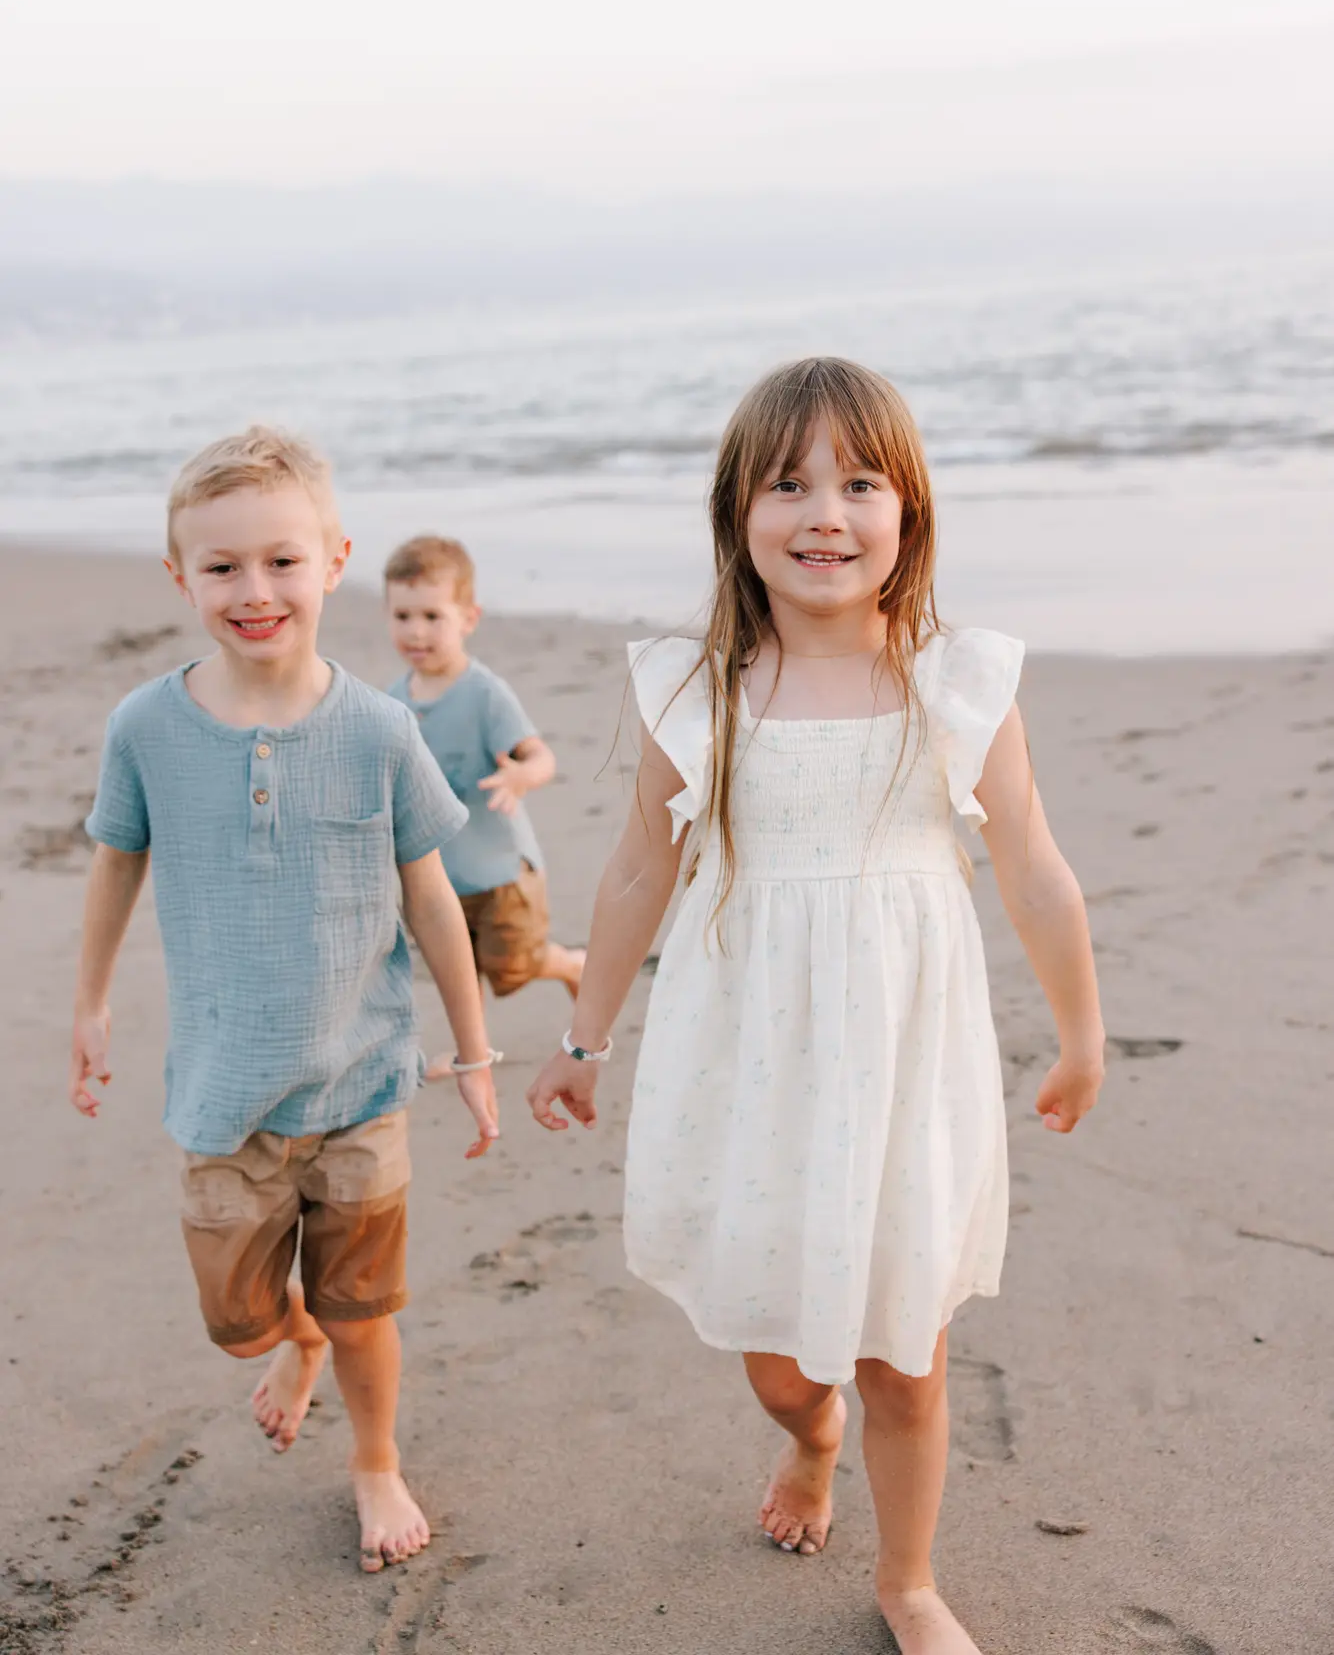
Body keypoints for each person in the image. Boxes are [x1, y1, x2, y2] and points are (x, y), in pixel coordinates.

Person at [526, 357, 1105, 1654]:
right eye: (785, 484)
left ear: (909, 515)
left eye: (858, 482)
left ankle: (906, 1578)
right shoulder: (697, 693)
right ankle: (809, 1436)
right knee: (779, 1354)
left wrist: (1080, 1031)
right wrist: (583, 1040)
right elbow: (634, 871)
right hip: (751, 1057)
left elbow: (1030, 865)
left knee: (907, 1347)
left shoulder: (956, 685)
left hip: (905, 1059)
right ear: (737, 514)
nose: (822, 513)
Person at [69, 427, 500, 1576]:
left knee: (365, 1306)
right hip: (224, 1094)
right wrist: (92, 1001)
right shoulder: (146, 728)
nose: (254, 591)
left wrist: (473, 1049)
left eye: (281, 560)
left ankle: (373, 1456)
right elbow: (116, 858)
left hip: (362, 1081)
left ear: (333, 558)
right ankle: (289, 1341)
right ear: (179, 577)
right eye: (220, 568)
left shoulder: (376, 727)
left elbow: (433, 899)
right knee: (240, 1320)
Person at [383, 534, 584, 1018]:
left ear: (468, 618)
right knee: (455, 964)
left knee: (515, 963)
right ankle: (475, 1056)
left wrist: (520, 777)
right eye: (403, 616)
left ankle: (573, 965)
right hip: (440, 876)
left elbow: (542, 759)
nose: (416, 632)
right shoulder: (394, 701)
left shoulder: (484, 693)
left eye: (433, 617)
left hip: (500, 872)